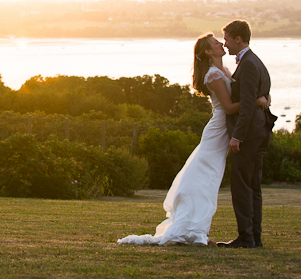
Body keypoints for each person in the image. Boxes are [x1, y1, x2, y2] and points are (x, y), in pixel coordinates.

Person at [117, 32, 268, 246]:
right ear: (208, 51)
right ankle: (192, 227)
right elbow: (229, 107)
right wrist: (256, 101)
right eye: (217, 43)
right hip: (218, 130)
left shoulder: (223, 70)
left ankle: (198, 226)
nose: (221, 44)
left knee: (208, 178)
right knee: (204, 178)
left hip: (225, 129)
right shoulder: (214, 76)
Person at [217, 19, 276, 249]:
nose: (226, 44)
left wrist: (237, 136)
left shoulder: (249, 64)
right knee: (253, 186)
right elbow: (262, 96)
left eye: (227, 39)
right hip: (259, 131)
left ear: (238, 38)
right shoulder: (255, 61)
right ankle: (254, 237)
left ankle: (246, 237)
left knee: (242, 186)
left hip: (250, 134)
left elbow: (249, 101)